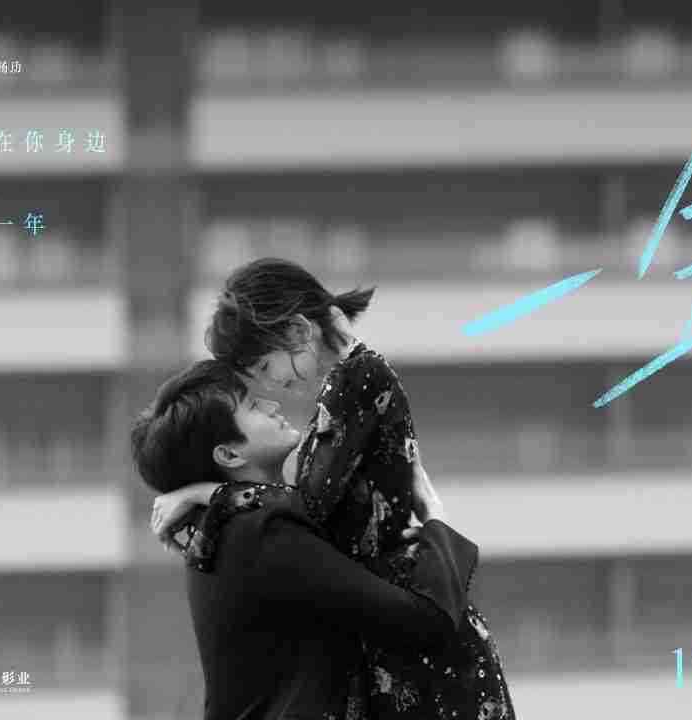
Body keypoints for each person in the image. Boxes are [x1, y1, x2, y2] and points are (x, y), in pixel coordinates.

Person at [154, 258, 515, 720]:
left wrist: (210, 494)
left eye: (264, 365)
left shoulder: (358, 379)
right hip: (400, 621)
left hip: (423, 632)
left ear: (299, 332)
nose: (271, 386)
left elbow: (306, 508)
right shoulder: (341, 389)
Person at [131, 359, 479, 720]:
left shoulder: (228, 526)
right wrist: (434, 515)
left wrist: (208, 492)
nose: (272, 405)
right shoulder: (259, 531)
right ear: (229, 454)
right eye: (253, 406)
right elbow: (426, 622)